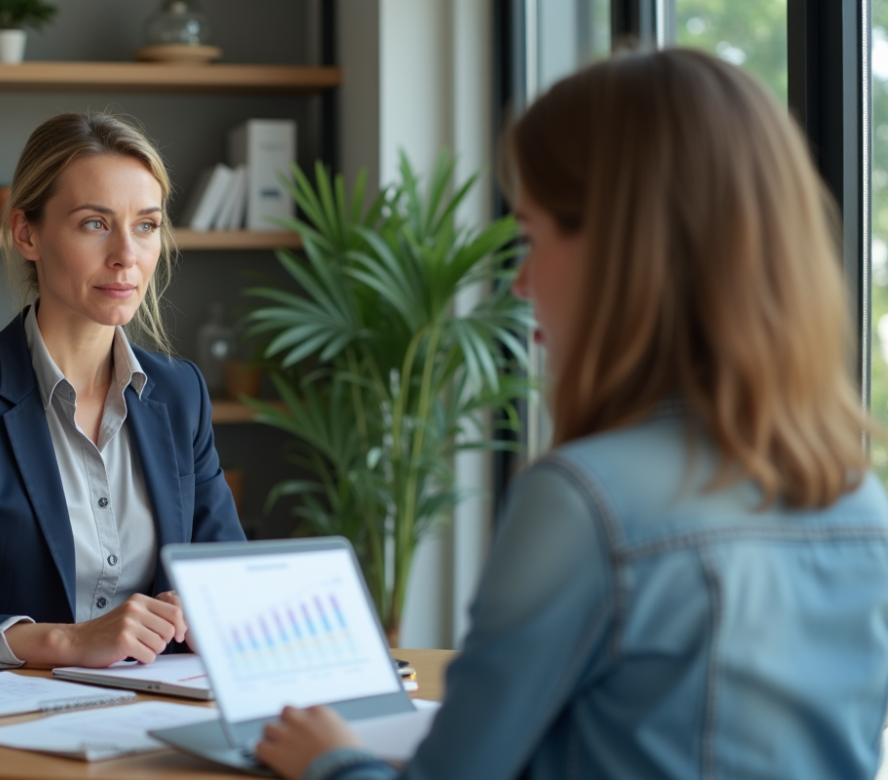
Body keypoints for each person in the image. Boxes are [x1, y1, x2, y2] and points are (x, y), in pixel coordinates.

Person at [254, 48, 888, 780]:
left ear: (624, 247)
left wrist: (333, 761)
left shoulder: (587, 499)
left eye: (532, 236)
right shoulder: (857, 498)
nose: (519, 283)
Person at [0, 112, 245, 679]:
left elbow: (229, 579)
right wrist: (66, 641)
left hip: (151, 715)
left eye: (146, 226)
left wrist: (212, 610)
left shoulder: (180, 394)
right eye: (93, 224)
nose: (126, 257)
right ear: (26, 233)